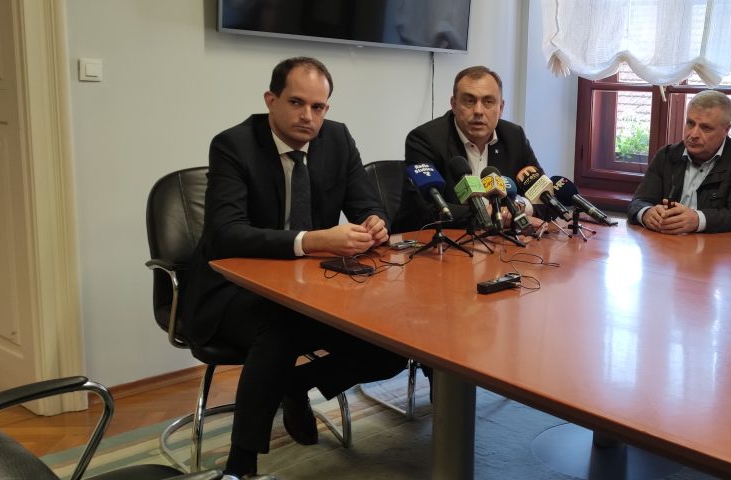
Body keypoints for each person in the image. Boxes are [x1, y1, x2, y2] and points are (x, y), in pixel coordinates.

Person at [179, 57, 407, 478]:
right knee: (280, 326)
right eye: (296, 103)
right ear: (271, 100)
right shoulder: (234, 145)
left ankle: (295, 385)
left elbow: (366, 203)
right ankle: (241, 464)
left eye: (318, 107)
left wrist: (376, 221)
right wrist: (313, 240)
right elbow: (226, 234)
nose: (308, 116)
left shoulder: (337, 139)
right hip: (231, 289)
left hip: (310, 287)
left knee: (391, 338)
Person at [402, 65, 545, 229]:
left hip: (503, 241)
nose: (478, 111)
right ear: (454, 104)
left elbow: (545, 197)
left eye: (488, 102)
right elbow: (424, 210)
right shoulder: (426, 139)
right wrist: (490, 215)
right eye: (469, 101)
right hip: (446, 240)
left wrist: (518, 207)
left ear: (501, 108)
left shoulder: (514, 137)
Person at [627, 90, 731, 234]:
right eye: (690, 123)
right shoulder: (666, 155)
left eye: (706, 128)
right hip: (666, 242)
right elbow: (637, 202)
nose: (693, 134)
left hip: (714, 246)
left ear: (726, 130)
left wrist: (698, 220)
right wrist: (646, 212)